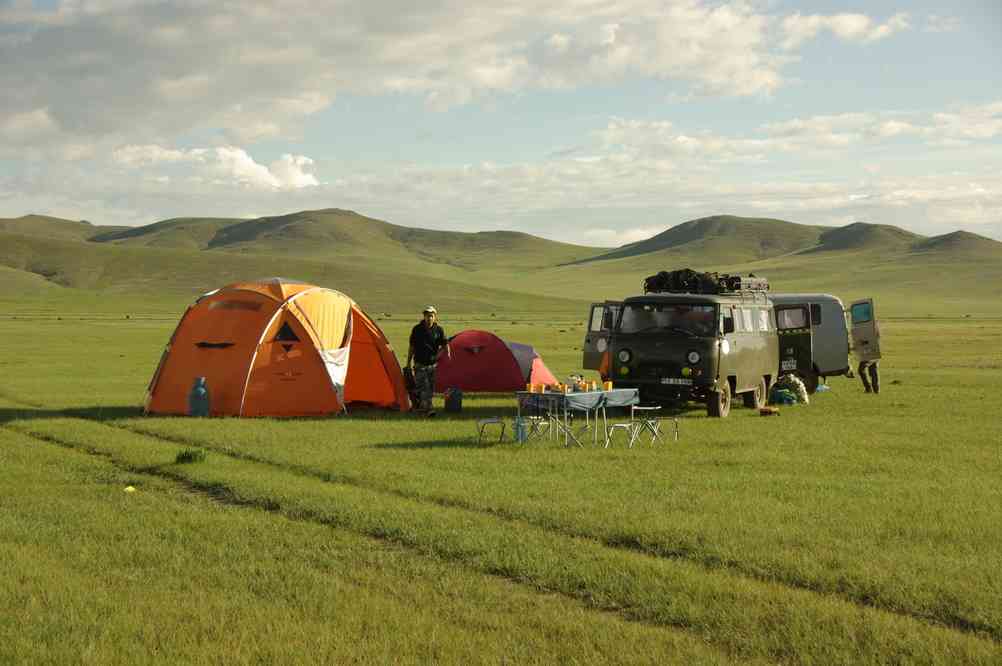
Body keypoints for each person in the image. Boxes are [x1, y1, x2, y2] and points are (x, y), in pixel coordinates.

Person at [407, 306, 451, 415]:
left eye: (431, 316)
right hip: (419, 364)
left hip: (432, 365)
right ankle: (429, 409)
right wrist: (408, 362)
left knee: (430, 388)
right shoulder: (417, 329)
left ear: (435, 317)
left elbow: (445, 344)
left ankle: (420, 408)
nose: (429, 318)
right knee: (423, 387)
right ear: (424, 316)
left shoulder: (439, 330)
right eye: (427, 315)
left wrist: (446, 354)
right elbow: (412, 346)